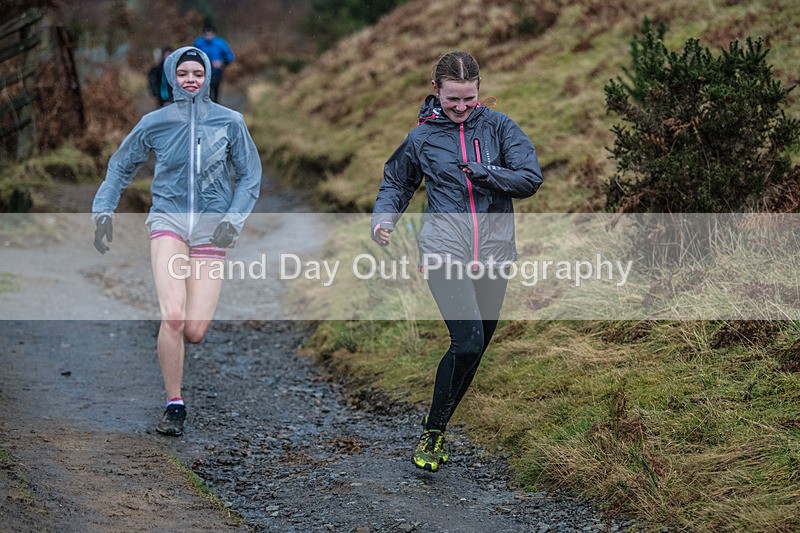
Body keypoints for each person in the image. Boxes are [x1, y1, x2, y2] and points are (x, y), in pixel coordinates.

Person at [370, 51, 543, 472]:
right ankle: (434, 432)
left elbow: (530, 178)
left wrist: (486, 173)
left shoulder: (501, 127)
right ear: (437, 91)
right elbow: (397, 181)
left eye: (469, 98)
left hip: (495, 251)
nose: (461, 107)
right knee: (465, 341)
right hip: (443, 249)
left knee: (477, 346)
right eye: (452, 100)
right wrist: (384, 218)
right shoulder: (422, 138)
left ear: (479, 90)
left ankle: (436, 423)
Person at [92, 46, 262, 436]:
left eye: (197, 73)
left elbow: (250, 177)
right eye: (183, 73)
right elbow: (120, 166)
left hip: (211, 228)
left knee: (195, 329)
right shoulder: (155, 122)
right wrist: (103, 211)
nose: (190, 79)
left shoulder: (230, 121)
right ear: (171, 76)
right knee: (173, 315)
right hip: (167, 221)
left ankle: (179, 367)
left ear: (206, 78)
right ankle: (175, 404)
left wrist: (233, 222)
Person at [193, 25, 234, 103]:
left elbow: (230, 57)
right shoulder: (198, 43)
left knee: (215, 91)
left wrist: (222, 63)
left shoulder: (221, 43)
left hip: (216, 72)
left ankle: (215, 106)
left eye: (210, 34)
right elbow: (193, 55)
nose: (208, 37)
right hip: (202, 73)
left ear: (214, 34)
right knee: (203, 92)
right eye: (207, 35)